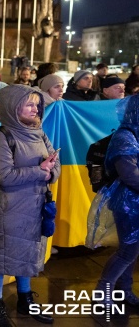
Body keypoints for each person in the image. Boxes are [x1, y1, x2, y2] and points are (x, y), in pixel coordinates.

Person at [0, 85, 59, 326]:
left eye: (36, 104)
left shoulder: (39, 133)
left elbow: (55, 165)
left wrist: (49, 173)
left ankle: (25, 299)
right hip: (11, 207)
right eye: (29, 104)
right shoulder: (2, 136)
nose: (35, 108)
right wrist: (40, 171)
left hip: (35, 205)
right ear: (13, 108)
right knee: (3, 253)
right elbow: (5, 176)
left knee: (28, 252)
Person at [94, 95, 139, 310]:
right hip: (128, 202)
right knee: (127, 251)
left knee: (132, 250)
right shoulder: (125, 137)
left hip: (133, 201)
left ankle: (124, 290)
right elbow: (130, 174)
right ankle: (103, 292)